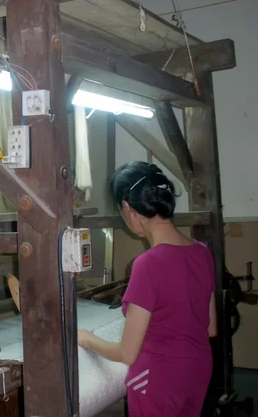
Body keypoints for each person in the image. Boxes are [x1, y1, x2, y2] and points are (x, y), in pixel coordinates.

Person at [78, 161, 216, 416]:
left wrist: (87, 339)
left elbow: (128, 353)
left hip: (157, 379)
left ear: (128, 209)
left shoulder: (147, 264)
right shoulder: (202, 252)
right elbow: (211, 328)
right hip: (198, 372)